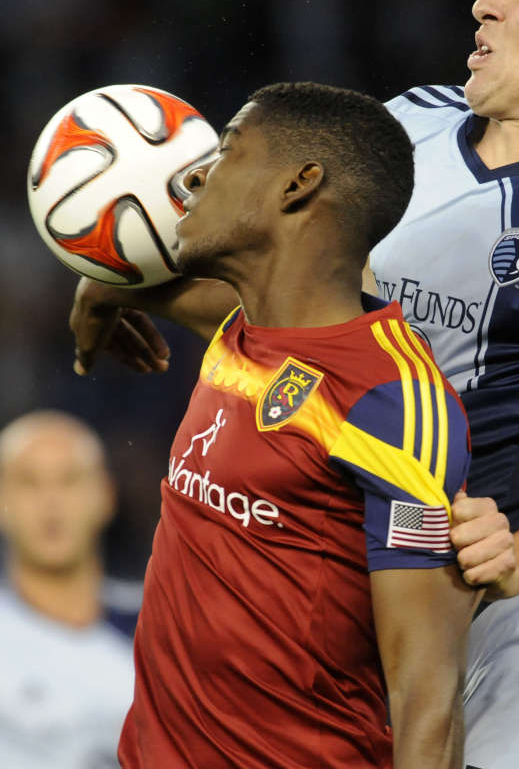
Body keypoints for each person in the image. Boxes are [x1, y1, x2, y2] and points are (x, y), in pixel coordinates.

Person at [69, 0, 519, 766]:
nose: (483, 3)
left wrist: (513, 560)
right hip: (390, 599)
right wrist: (138, 286)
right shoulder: (407, 127)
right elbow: (308, 342)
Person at [73, 82, 481, 769]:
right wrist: (97, 296)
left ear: (298, 185)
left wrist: (102, 293)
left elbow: (425, 693)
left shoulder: (392, 402)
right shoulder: (242, 330)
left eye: (228, 151)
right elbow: (128, 277)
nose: (196, 174)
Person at [0, 410, 135, 769]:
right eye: (29, 482)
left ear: (106, 496)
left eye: (69, 480)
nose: (51, 503)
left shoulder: (164, 632)